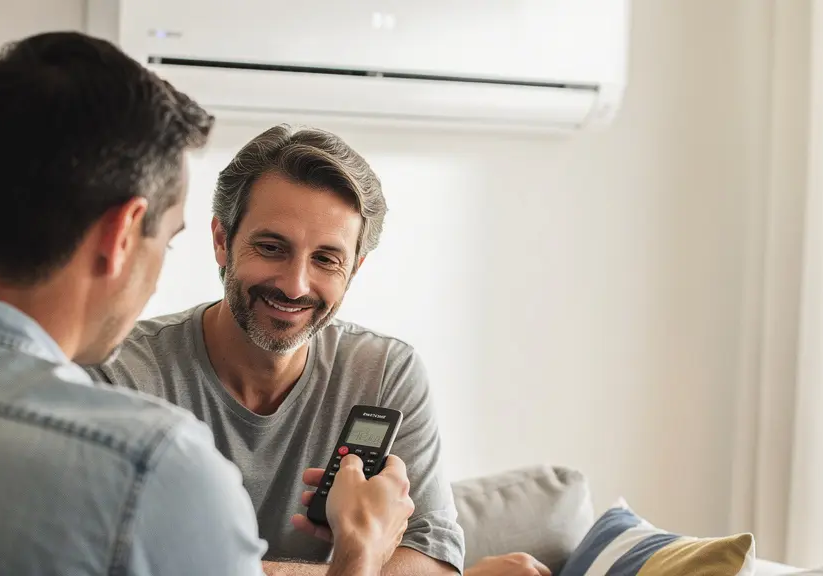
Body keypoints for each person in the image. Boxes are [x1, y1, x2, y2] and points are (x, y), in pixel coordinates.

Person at [0, 31, 416, 576]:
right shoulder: (150, 466)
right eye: (167, 239)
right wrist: (358, 554)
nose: (294, 285)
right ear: (122, 237)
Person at [84, 124, 552, 576]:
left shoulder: (386, 373)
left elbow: (432, 564)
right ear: (222, 241)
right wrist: (356, 557)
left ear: (355, 268)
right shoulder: (120, 374)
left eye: (327, 259)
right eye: (271, 248)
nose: (295, 285)